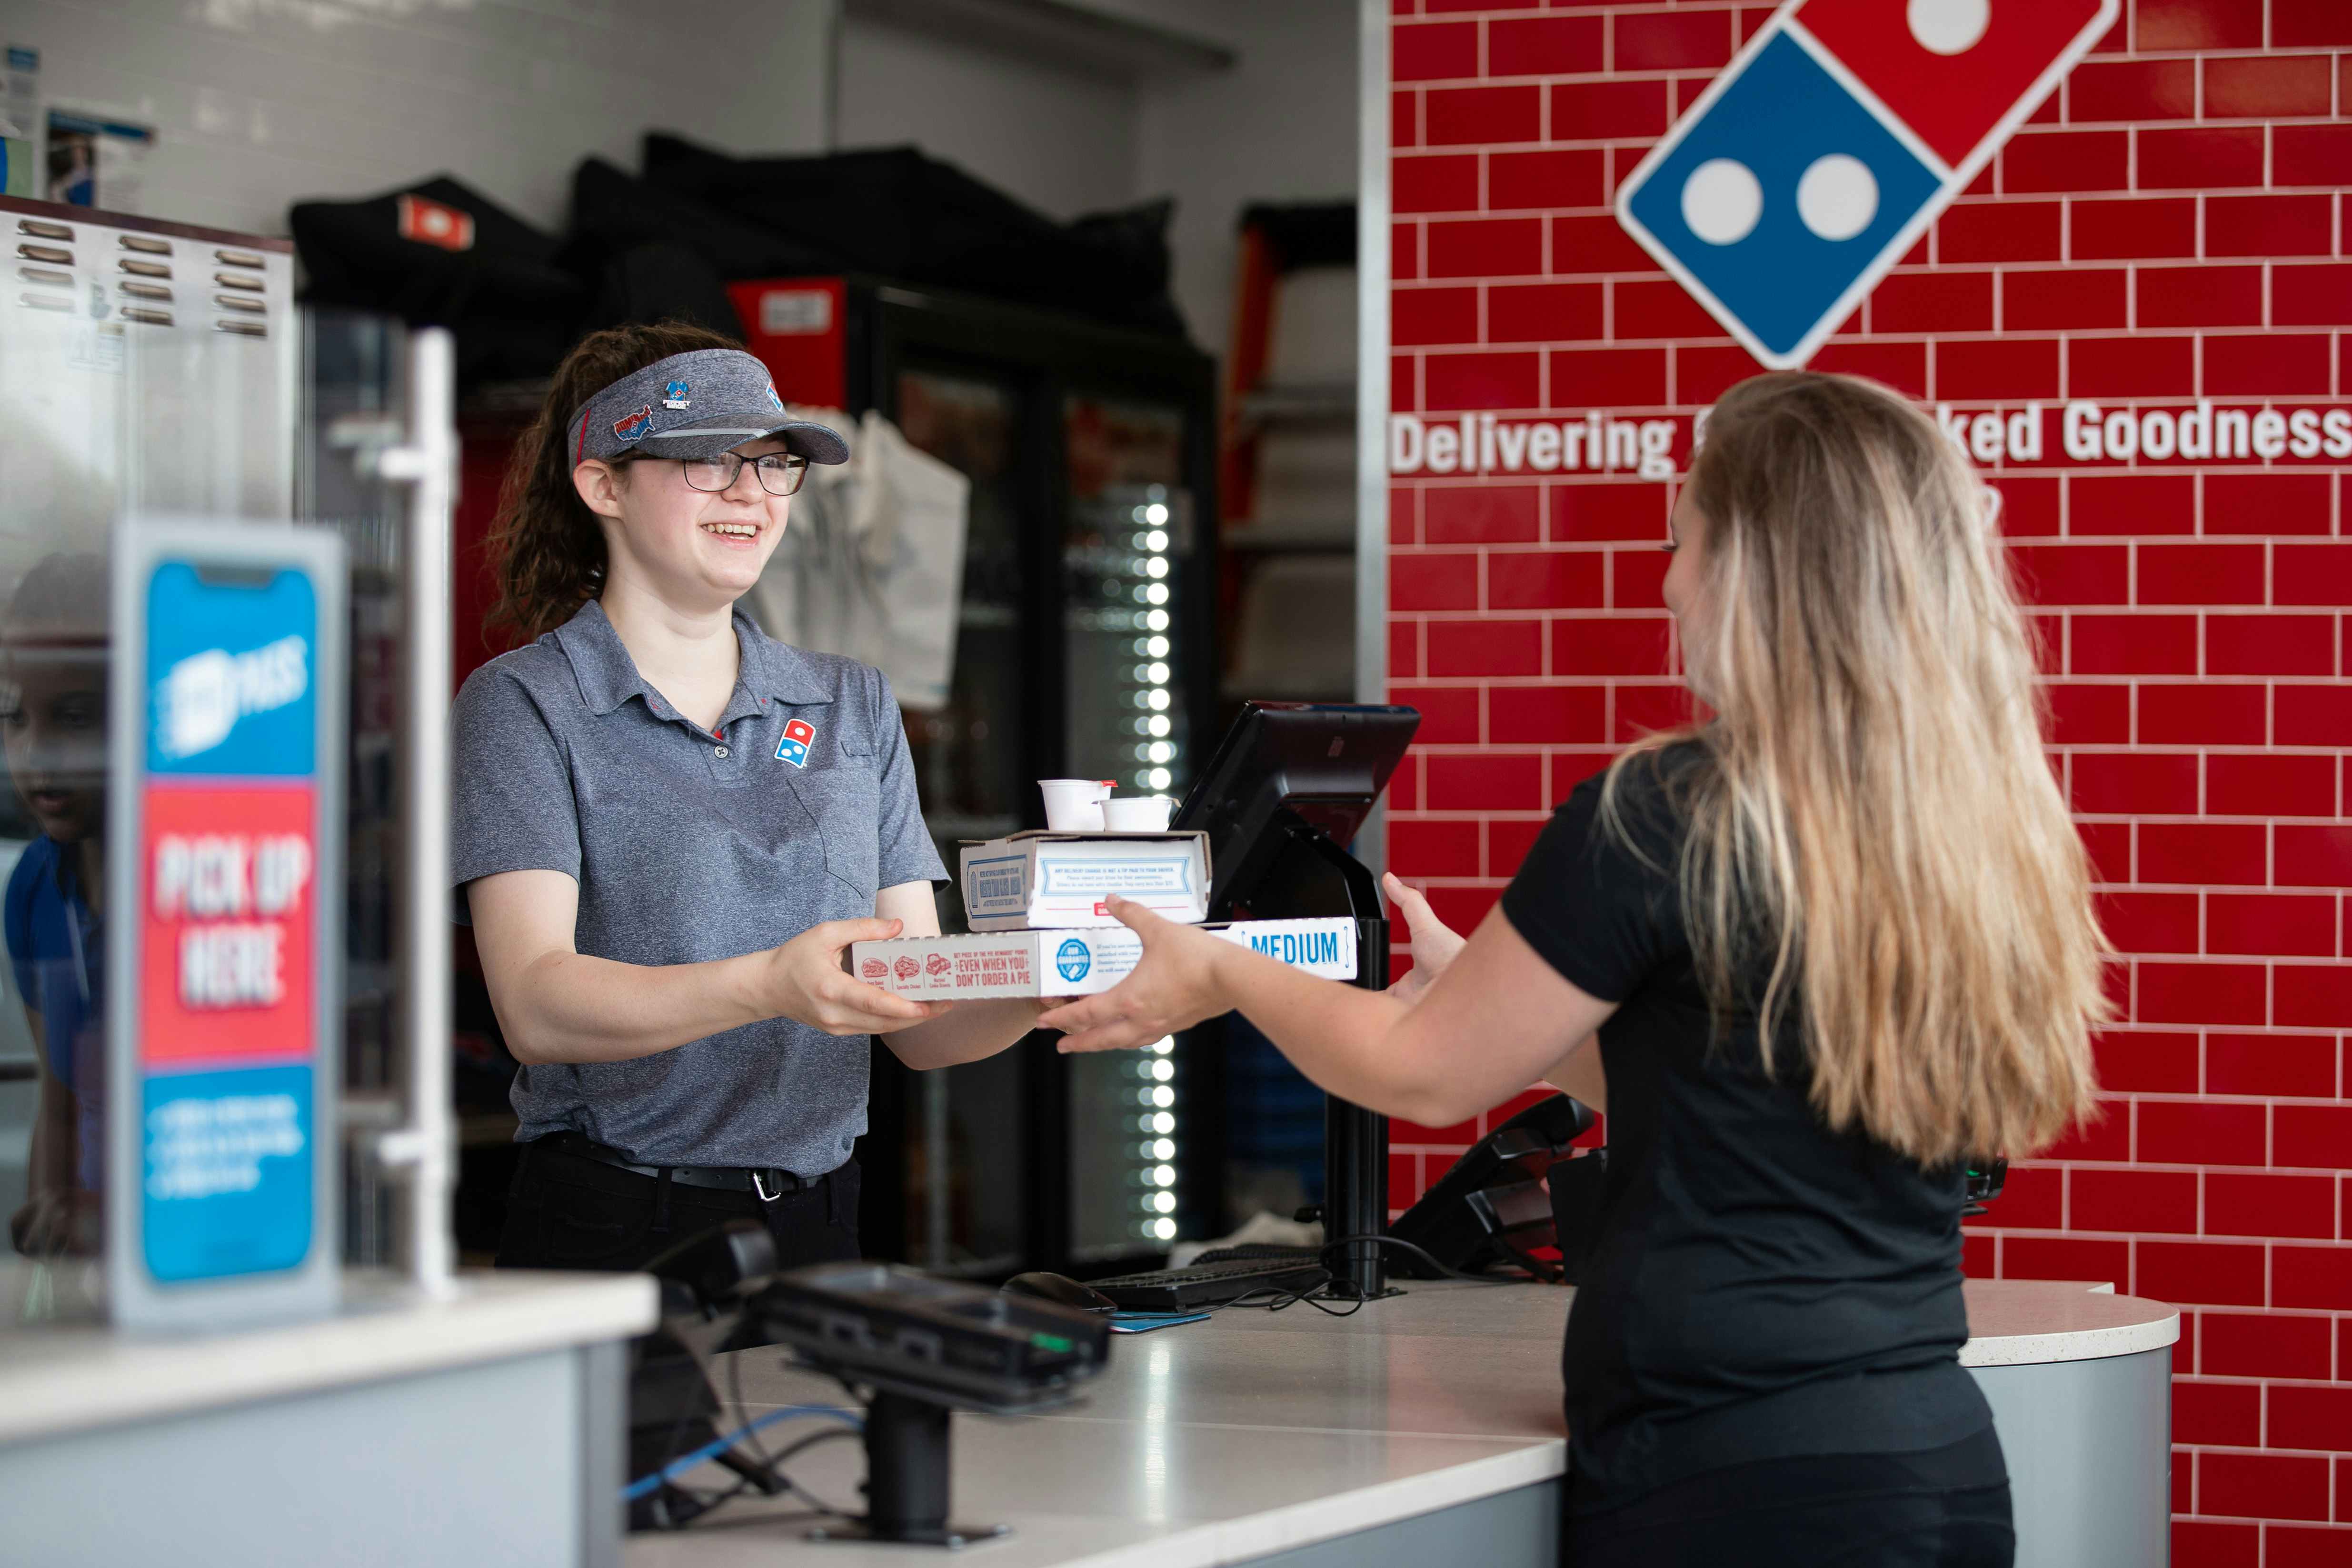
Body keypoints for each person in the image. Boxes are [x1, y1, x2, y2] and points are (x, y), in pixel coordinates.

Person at [1039, 371, 2106, 1567]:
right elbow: (1737, 1093)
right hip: (1934, 1461)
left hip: (1735, 1488)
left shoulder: (1669, 809)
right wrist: (1489, 1000)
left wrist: (1222, 972)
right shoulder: (1972, 820)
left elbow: (1421, 1081)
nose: (1667, 579)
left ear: (1753, 562)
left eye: (1681, 538)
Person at [453, 321, 1043, 1274]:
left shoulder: (851, 701)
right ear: (601, 482)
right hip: (613, 1226)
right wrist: (767, 985)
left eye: (773, 465)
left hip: (824, 1227)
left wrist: (1048, 980)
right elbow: (535, 1005)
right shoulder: (525, 704)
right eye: (705, 460)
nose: (750, 493)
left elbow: (920, 1016)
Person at [3, 555, 110, 1258]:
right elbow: (61, 1100)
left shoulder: (199, 880)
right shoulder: (35, 887)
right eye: (11, 719)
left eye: (74, 719)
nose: (38, 755)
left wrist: (105, 1219)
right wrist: (49, 1211)